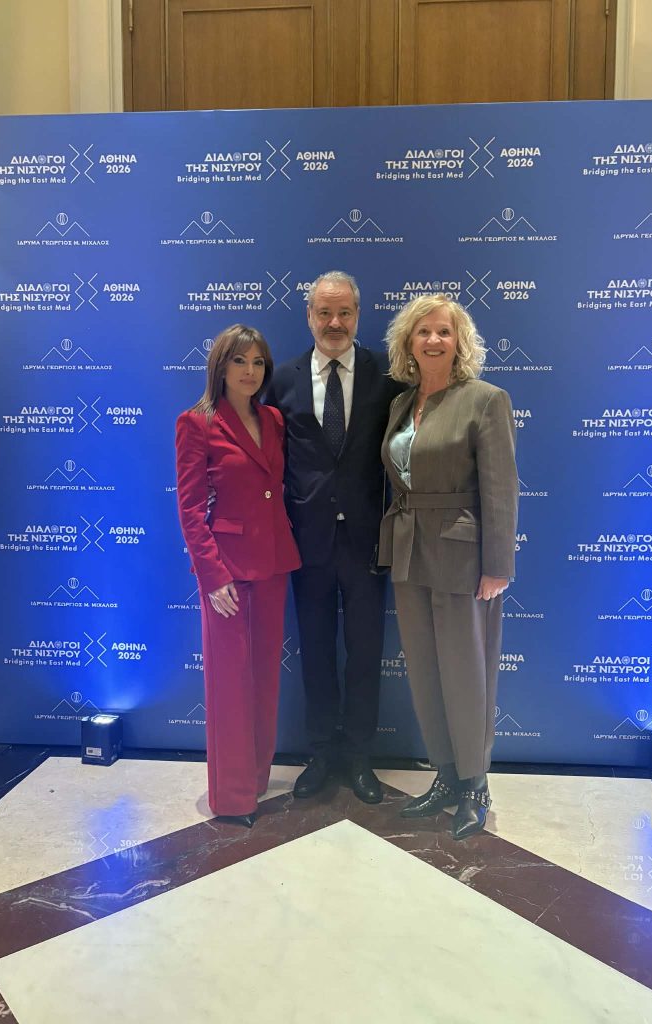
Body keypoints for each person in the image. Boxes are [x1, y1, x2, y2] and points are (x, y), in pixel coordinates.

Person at [379, 294, 518, 839]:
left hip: (462, 554)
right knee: (425, 671)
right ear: (408, 343)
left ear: (459, 341)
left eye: (444, 331)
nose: (433, 340)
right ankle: (445, 774)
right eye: (423, 332)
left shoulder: (486, 400)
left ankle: (475, 784)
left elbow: (501, 488)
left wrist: (497, 564)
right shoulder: (401, 404)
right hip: (408, 550)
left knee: (466, 671)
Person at [266, 271, 405, 802]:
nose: (334, 322)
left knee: (366, 653)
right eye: (324, 312)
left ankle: (360, 756)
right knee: (317, 651)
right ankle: (322, 752)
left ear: (358, 315)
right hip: (308, 542)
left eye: (344, 312)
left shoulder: (386, 377)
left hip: (369, 542)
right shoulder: (282, 379)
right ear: (309, 316)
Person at [175, 324, 300, 828]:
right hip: (225, 570)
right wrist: (212, 575)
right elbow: (189, 510)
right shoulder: (197, 422)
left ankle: (256, 779)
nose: (250, 371)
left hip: (273, 562)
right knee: (230, 681)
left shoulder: (273, 419)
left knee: (264, 678)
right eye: (240, 361)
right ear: (221, 367)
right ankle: (231, 797)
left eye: (258, 362)